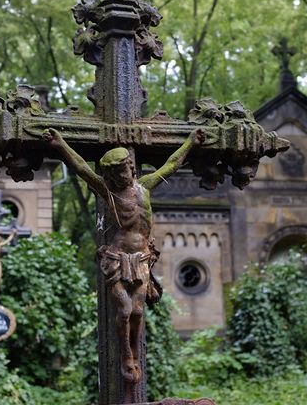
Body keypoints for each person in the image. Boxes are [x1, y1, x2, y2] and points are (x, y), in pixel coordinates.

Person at [44, 127, 203, 389]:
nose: (120, 176)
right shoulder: (108, 192)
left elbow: (172, 164)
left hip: (141, 258)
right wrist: (60, 144)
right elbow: (82, 167)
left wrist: (191, 142)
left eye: (123, 169)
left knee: (138, 310)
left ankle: (135, 354)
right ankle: (125, 357)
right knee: (125, 309)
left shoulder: (145, 188)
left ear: (131, 168)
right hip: (117, 258)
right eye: (114, 173)